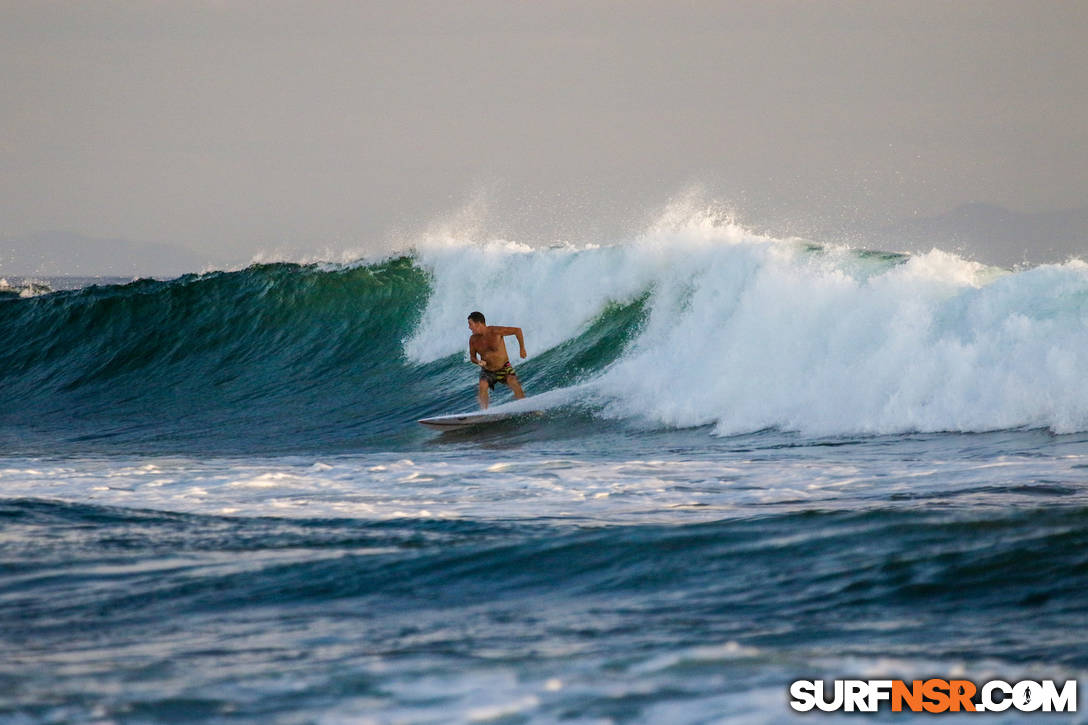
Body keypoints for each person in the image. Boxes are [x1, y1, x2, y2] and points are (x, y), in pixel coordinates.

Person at [467, 311, 527, 409]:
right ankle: (484, 412)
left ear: (478, 323)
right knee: (483, 386)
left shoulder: (495, 331)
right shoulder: (473, 339)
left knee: (513, 382)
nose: (469, 327)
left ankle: (526, 406)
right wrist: (478, 362)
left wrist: (522, 349)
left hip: (503, 367)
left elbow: (517, 331)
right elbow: (472, 357)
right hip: (487, 370)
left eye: (470, 324)